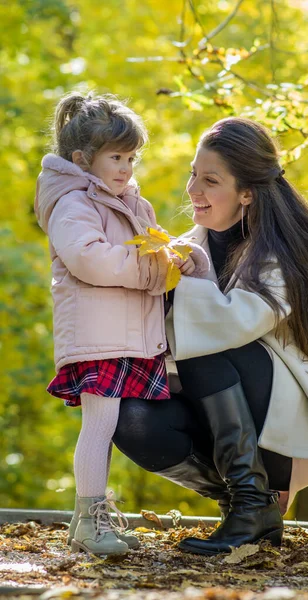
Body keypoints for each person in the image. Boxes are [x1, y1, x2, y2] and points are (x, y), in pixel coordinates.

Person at [113, 117, 308, 556]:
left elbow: (230, 325)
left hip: (287, 435)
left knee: (208, 345)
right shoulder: (187, 247)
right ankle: (247, 502)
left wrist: (183, 284)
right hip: (225, 420)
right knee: (130, 416)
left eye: (210, 180)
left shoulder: (283, 250)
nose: (194, 189)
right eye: (194, 173)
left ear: (247, 193)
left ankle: (253, 501)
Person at [34, 92, 209, 556]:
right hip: (97, 334)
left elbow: (146, 248)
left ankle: (84, 522)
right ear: (82, 159)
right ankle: (91, 518)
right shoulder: (74, 203)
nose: (126, 168)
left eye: (131, 157)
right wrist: (151, 268)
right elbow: (89, 258)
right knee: (100, 423)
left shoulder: (127, 202)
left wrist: (179, 256)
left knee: (106, 425)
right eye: (116, 157)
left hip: (124, 335)